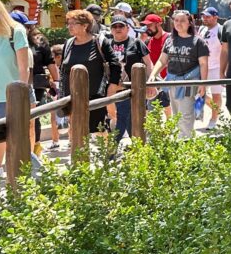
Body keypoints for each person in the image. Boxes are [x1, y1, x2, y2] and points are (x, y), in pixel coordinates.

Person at [59, 9, 122, 137]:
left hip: (95, 97)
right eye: (68, 23)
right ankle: (80, 157)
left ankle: (107, 156)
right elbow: (63, 69)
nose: (69, 26)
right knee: (76, 131)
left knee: (99, 130)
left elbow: (115, 65)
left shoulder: (99, 42)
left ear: (85, 25)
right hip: (72, 97)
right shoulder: (68, 44)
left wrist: (111, 89)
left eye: (73, 23)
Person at [149, 10, 208, 139]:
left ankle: (185, 145)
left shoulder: (198, 42)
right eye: (176, 20)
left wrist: (203, 84)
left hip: (189, 83)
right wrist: (153, 74)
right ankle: (181, 145)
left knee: (186, 115)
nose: (178, 23)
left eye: (182, 21)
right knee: (176, 115)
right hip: (172, 82)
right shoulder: (170, 40)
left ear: (189, 23)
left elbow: (203, 64)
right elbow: (162, 60)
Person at [0, 0, 32, 177]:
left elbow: (23, 68)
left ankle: (33, 175)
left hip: (10, 96)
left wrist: (21, 98)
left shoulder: (15, 32)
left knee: (16, 139)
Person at [17, 12, 58, 154]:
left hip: (36, 83)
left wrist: (56, 83)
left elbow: (50, 63)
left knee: (34, 116)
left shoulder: (40, 42)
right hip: (12, 82)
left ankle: (35, 147)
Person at [108, 15, 153, 141]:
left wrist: (150, 82)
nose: (118, 29)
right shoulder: (107, 45)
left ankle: (111, 153)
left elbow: (149, 63)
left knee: (123, 117)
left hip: (136, 86)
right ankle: (138, 148)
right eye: (114, 26)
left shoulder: (136, 42)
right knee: (127, 118)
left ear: (127, 28)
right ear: (111, 29)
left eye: (121, 26)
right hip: (115, 87)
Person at [197, 7, 224, 129]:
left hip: (216, 67)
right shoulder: (202, 29)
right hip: (203, 66)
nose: (205, 19)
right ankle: (216, 109)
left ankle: (213, 119)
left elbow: (226, 50)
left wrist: (225, 68)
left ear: (215, 17)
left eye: (208, 16)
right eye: (203, 16)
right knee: (198, 92)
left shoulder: (221, 30)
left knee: (216, 94)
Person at [143, 13, 172, 118]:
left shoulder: (169, 38)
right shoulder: (147, 41)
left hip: (166, 80)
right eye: (146, 26)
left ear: (159, 24)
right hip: (152, 80)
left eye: (150, 25)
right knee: (149, 108)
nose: (148, 28)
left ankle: (171, 129)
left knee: (166, 106)